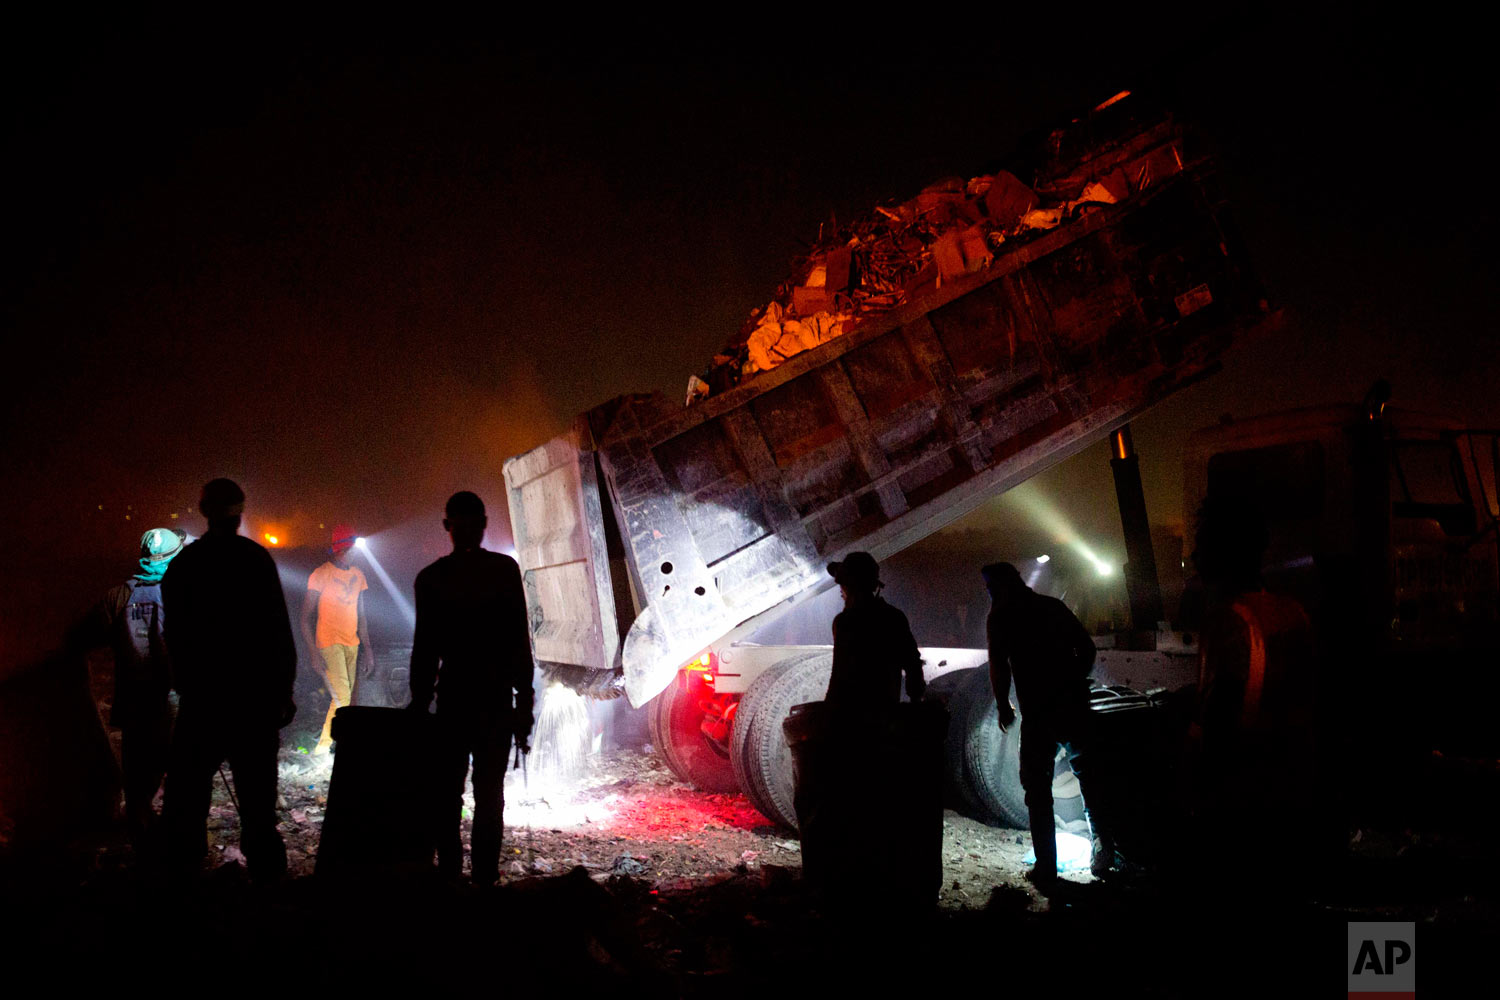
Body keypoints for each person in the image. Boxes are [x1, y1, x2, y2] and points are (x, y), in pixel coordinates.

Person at [161, 479, 297, 883]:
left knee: (188, 800)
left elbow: (176, 636)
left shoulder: (185, 565)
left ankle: (185, 886)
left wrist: (185, 684)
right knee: (257, 803)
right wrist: (282, 691)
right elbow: (278, 631)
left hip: (203, 701)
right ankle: (269, 888)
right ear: (240, 513)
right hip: (253, 702)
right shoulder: (255, 559)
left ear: (204, 512)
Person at [1185, 495, 1318, 873]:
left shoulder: (1227, 619)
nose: (1195, 557)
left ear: (1222, 554)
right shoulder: (1293, 611)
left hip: (1242, 790)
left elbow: (1219, 711)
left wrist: (1197, 785)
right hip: (1292, 781)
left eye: (1203, 545)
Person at [408, 491, 535, 885]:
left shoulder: (430, 579)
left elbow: (425, 649)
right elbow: (519, 643)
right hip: (494, 701)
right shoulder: (503, 571)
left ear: (447, 527)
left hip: (453, 702)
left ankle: (448, 873)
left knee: (446, 795)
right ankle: (483, 878)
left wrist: (419, 703)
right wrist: (524, 703)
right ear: (483, 526)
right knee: (489, 796)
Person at [983, 561, 1108, 888]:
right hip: (1074, 707)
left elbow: (999, 664)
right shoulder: (1052, 607)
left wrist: (1003, 705)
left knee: (1038, 791)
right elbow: (1088, 648)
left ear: (996, 588)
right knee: (1091, 782)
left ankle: (1047, 869)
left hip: (1038, 715)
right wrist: (1072, 681)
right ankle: (1105, 855)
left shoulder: (1000, 617)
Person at [78, 526, 186, 845]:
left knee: (136, 763)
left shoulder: (118, 595)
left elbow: (87, 636)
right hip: (170, 696)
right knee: (176, 763)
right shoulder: (182, 593)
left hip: (132, 695)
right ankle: (171, 832)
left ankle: (139, 824)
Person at [301, 524, 372, 754]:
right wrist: (313, 653)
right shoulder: (320, 574)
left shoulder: (358, 575)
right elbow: (304, 618)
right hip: (329, 642)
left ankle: (335, 745)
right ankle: (323, 748)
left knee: (347, 698)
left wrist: (367, 649)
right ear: (342, 549)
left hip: (352, 642)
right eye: (353, 548)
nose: (356, 553)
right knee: (341, 696)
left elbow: (361, 615)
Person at [824, 552, 926, 706]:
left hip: (852, 717)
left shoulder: (845, 622)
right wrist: (915, 701)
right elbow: (913, 665)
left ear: (850, 586)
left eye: (843, 585)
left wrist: (827, 711)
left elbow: (838, 676)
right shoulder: (894, 617)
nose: (841, 591)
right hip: (887, 718)